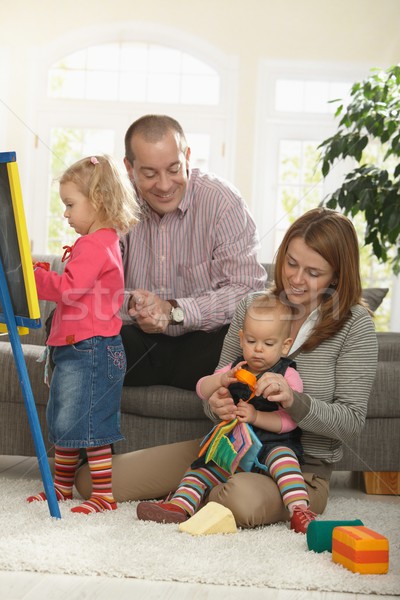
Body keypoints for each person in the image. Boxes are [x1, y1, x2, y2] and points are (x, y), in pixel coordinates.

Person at [75, 207, 378, 530]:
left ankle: (190, 495)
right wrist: (216, 403)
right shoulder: (253, 306)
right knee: (92, 480)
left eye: (313, 272)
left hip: (299, 469)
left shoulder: (355, 326)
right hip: (227, 448)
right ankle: (194, 491)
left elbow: (350, 422)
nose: (296, 279)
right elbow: (219, 382)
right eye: (291, 263)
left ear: (337, 275)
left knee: (236, 500)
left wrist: (294, 400)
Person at [136, 291, 318, 533]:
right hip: (235, 443)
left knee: (286, 460)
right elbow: (202, 388)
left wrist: (256, 417)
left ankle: (299, 511)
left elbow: (289, 422)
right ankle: (180, 505)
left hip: (273, 443)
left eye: (268, 344)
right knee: (201, 466)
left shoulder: (287, 376)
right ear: (241, 339)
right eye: (251, 342)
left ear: (285, 346)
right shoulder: (234, 369)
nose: (258, 350)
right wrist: (221, 381)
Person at [119, 114, 266, 390]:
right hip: (136, 345)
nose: (164, 185)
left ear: (187, 156)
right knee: (71, 328)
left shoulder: (222, 201)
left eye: (174, 169)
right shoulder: (115, 204)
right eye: (150, 174)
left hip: (203, 348)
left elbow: (246, 291)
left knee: (251, 345)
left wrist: (174, 310)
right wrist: (132, 306)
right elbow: (91, 288)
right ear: (129, 168)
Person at [27, 155, 139, 514]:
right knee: (66, 419)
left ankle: (103, 494)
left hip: (91, 350)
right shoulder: (101, 241)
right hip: (79, 348)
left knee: (89, 423)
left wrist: (36, 278)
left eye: (70, 205)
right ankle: (61, 488)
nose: (66, 214)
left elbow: (71, 288)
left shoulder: (95, 244)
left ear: (99, 201)